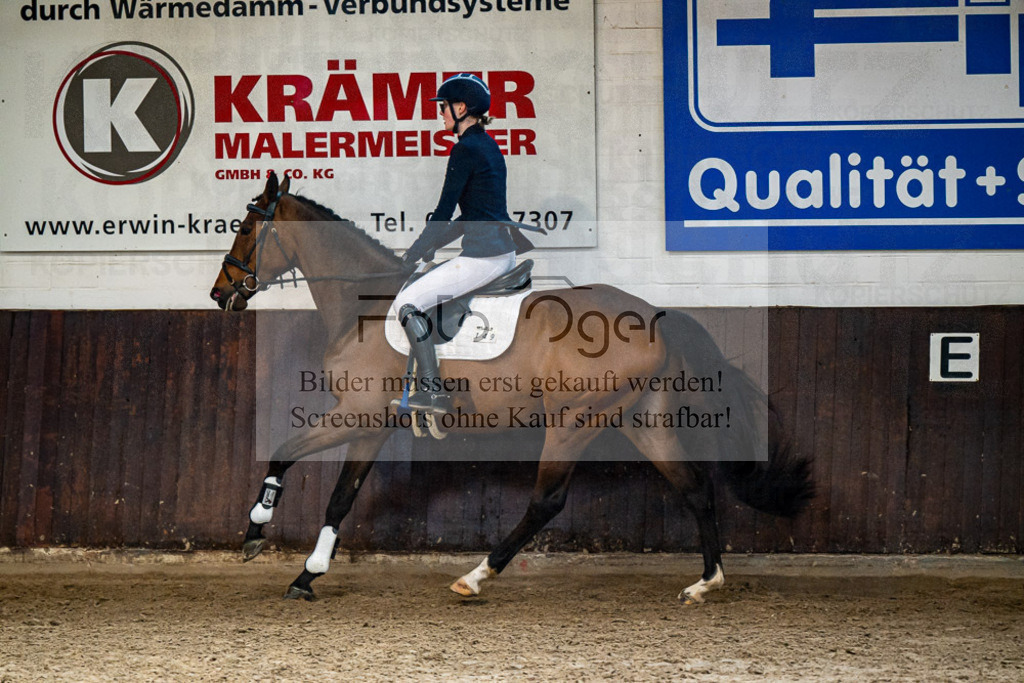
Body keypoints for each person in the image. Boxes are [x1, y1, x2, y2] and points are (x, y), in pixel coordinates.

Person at [392, 73, 526, 416]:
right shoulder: (488, 144)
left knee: (407, 302)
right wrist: (426, 248)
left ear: (461, 108)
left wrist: (413, 253)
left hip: (485, 257)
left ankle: (432, 392)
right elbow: (471, 215)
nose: (441, 114)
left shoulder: (465, 149)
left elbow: (443, 212)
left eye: (444, 108)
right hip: (501, 251)